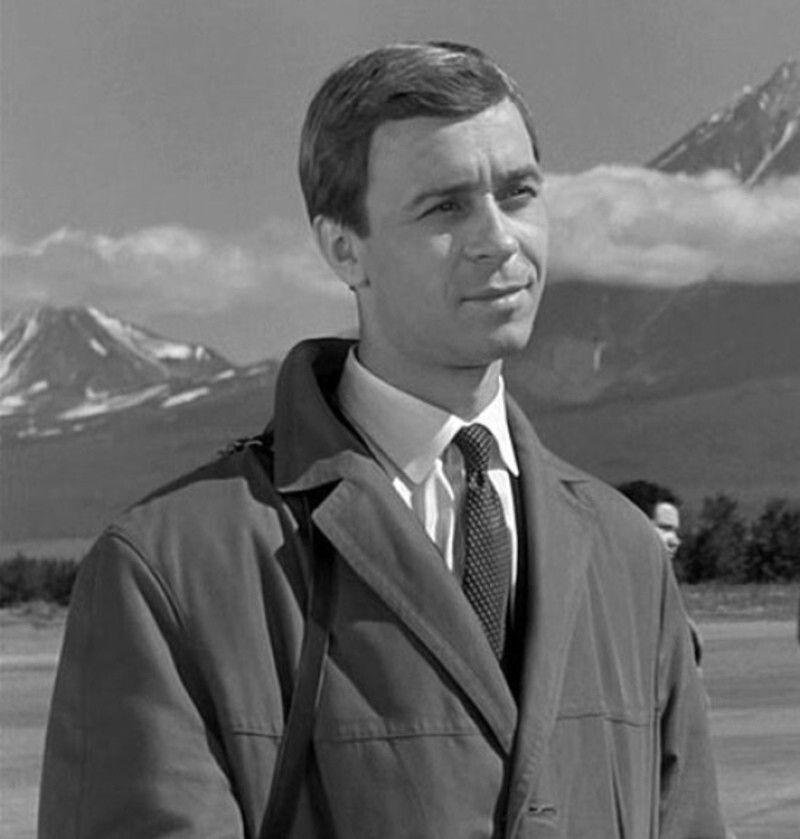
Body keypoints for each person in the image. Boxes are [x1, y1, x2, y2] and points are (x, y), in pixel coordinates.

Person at [39, 42, 728, 837]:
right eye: (445, 208)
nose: (499, 239)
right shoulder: (169, 571)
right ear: (343, 247)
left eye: (519, 193)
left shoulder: (627, 557)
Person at [617, 479, 704, 666]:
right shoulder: (600, 601)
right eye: (665, 528)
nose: (675, 541)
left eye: (675, 531)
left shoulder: (669, 610)